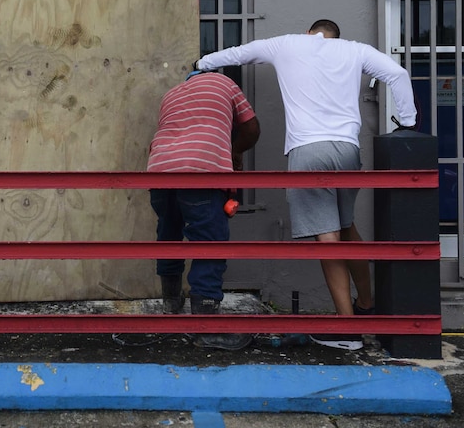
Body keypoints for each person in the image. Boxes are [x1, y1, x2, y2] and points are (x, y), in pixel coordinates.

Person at [196, 19, 418, 351]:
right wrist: (408, 122)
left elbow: (239, 54)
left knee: (327, 238)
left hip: (309, 151)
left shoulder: (286, 43)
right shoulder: (355, 50)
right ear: (335, 38)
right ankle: (367, 307)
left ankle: (347, 330)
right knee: (345, 228)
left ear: (309, 33)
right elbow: (398, 75)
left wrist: (201, 64)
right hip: (347, 150)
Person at [147, 68, 260, 351]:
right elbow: (251, 128)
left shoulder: (171, 94)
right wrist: (235, 152)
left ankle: (171, 310)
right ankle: (206, 327)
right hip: (200, 169)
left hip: (159, 169)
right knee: (209, 243)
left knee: (169, 237)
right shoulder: (224, 82)